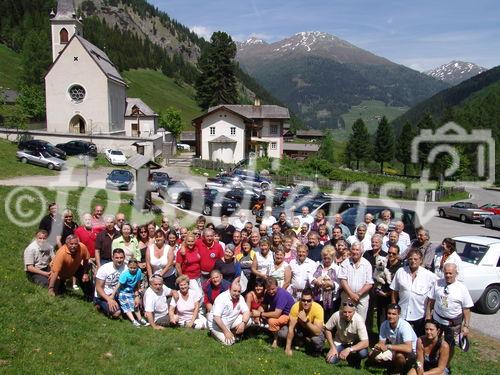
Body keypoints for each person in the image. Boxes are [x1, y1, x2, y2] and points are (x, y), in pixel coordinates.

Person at [426, 263, 473, 365]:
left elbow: (466, 309)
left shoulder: (462, 288)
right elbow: (431, 301)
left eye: (450, 273)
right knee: (434, 341)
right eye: (446, 273)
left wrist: (466, 326)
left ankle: (445, 365)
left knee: (449, 345)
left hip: (453, 324)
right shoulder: (437, 283)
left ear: (456, 273)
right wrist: (428, 317)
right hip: (437, 320)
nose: (448, 275)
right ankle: (431, 361)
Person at [391, 249, 437, 337]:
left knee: (418, 339)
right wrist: (394, 307)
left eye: (416, 259)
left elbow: (438, 288)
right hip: (402, 313)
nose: (413, 261)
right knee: (401, 337)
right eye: (410, 259)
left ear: (421, 260)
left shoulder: (429, 275)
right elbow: (394, 290)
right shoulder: (401, 271)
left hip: (419, 314)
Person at [369, 304, 417, 375]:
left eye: (394, 314)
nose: (391, 316)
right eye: (389, 313)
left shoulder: (404, 326)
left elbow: (408, 348)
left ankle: (398, 371)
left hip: (410, 353)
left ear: (399, 315)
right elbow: (381, 342)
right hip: (395, 348)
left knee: (399, 356)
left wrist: (389, 346)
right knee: (373, 355)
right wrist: (378, 347)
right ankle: (392, 366)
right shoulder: (384, 324)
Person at [325, 299, 369, 368]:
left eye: (350, 312)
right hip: (340, 342)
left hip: (354, 343)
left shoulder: (359, 320)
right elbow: (327, 329)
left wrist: (349, 349)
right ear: (341, 310)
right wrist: (332, 347)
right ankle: (343, 355)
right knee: (330, 360)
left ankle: (353, 357)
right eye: (345, 312)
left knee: (363, 353)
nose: (347, 315)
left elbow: (366, 342)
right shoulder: (336, 315)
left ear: (354, 312)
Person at [283, 288, 325, 357]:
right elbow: (291, 328)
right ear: (300, 299)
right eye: (303, 300)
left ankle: (316, 350)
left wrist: (306, 321)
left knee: (317, 340)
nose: (306, 303)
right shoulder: (295, 307)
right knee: (283, 333)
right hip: (301, 329)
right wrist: (288, 348)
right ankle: (301, 342)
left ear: (312, 300)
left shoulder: (318, 308)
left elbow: (317, 331)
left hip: (313, 330)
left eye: (308, 301)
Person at [48, 235, 92, 299]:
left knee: (86, 279)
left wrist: (85, 273)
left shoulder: (82, 247)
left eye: (76, 244)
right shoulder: (61, 253)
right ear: (66, 244)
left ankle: (90, 296)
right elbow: (55, 272)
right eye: (71, 244)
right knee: (59, 291)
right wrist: (51, 288)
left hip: (75, 266)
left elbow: (86, 260)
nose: (73, 246)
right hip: (60, 271)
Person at [338, 242, 373, 320]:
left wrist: (358, 294)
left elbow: (369, 283)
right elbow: (343, 280)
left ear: (362, 252)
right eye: (353, 249)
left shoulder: (367, 264)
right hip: (347, 297)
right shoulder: (345, 263)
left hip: (362, 298)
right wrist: (351, 294)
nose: (355, 252)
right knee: (345, 320)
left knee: (360, 321)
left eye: (357, 250)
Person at [111, 258, 147, 327]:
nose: (133, 269)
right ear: (128, 266)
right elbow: (119, 285)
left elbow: (138, 281)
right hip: (123, 292)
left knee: (135, 305)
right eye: (131, 268)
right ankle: (133, 320)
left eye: (134, 268)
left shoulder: (139, 271)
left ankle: (140, 319)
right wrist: (113, 294)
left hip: (131, 291)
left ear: (137, 267)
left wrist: (138, 289)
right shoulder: (125, 274)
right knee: (127, 306)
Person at [261, 277, 295, 347]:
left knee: (271, 321)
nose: (271, 291)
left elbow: (277, 314)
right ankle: (275, 332)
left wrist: (261, 314)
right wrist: (259, 313)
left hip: (288, 315)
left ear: (277, 286)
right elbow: (263, 306)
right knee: (267, 317)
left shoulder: (281, 293)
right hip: (279, 313)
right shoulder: (267, 293)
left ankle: (276, 339)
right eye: (268, 290)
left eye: (273, 289)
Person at [94, 248, 126, 317]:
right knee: (116, 313)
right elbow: (98, 288)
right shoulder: (104, 268)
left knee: (130, 310)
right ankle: (99, 304)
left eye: (121, 258)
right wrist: (109, 299)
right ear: (112, 258)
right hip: (104, 296)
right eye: (116, 258)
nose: (119, 260)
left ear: (124, 258)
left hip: (118, 294)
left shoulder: (126, 268)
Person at [377, 244, 403, 329]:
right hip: (381, 296)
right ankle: (380, 338)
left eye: (394, 253)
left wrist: (387, 294)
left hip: (392, 297)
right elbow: (377, 276)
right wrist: (378, 290)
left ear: (398, 254)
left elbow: (399, 285)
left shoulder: (400, 267)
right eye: (389, 253)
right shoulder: (384, 262)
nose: (391, 255)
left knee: (391, 320)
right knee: (380, 319)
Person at [310, 245, 339, 321]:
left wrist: (331, 284)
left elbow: (339, 283)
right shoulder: (317, 265)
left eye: (329, 258)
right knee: (317, 319)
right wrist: (316, 281)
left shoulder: (337, 268)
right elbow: (310, 276)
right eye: (324, 258)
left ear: (333, 258)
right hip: (317, 297)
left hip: (331, 300)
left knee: (328, 319)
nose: (326, 260)